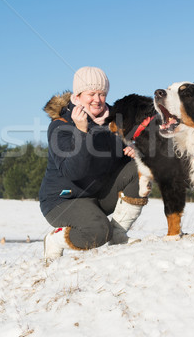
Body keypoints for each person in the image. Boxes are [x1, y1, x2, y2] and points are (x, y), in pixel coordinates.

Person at [39, 66, 148, 262]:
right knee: (98, 232)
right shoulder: (60, 126)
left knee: (141, 169)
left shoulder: (113, 122)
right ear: (78, 96)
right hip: (63, 200)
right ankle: (55, 240)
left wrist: (133, 152)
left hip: (97, 195)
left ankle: (118, 234)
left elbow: (118, 160)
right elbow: (73, 171)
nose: (97, 99)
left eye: (102, 94)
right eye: (91, 94)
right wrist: (82, 132)